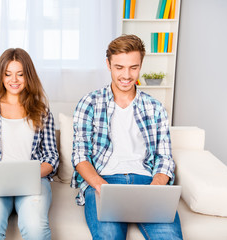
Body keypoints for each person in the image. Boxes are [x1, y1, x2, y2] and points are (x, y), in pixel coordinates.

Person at [71, 35, 183, 240]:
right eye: (119, 67)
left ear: (141, 66)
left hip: (147, 181)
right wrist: (101, 187)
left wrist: (155, 189)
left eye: (133, 67)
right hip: (105, 181)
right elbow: (80, 156)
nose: (126, 75)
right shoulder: (90, 103)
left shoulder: (155, 107)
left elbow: (165, 158)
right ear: (108, 65)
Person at [0, 48, 59, 240]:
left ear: (28, 76)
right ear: (1, 76)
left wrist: (30, 174)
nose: (14, 80)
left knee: (35, 228)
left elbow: (51, 157)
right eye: (8, 74)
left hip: (33, 181)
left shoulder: (42, 111)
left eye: (20, 74)